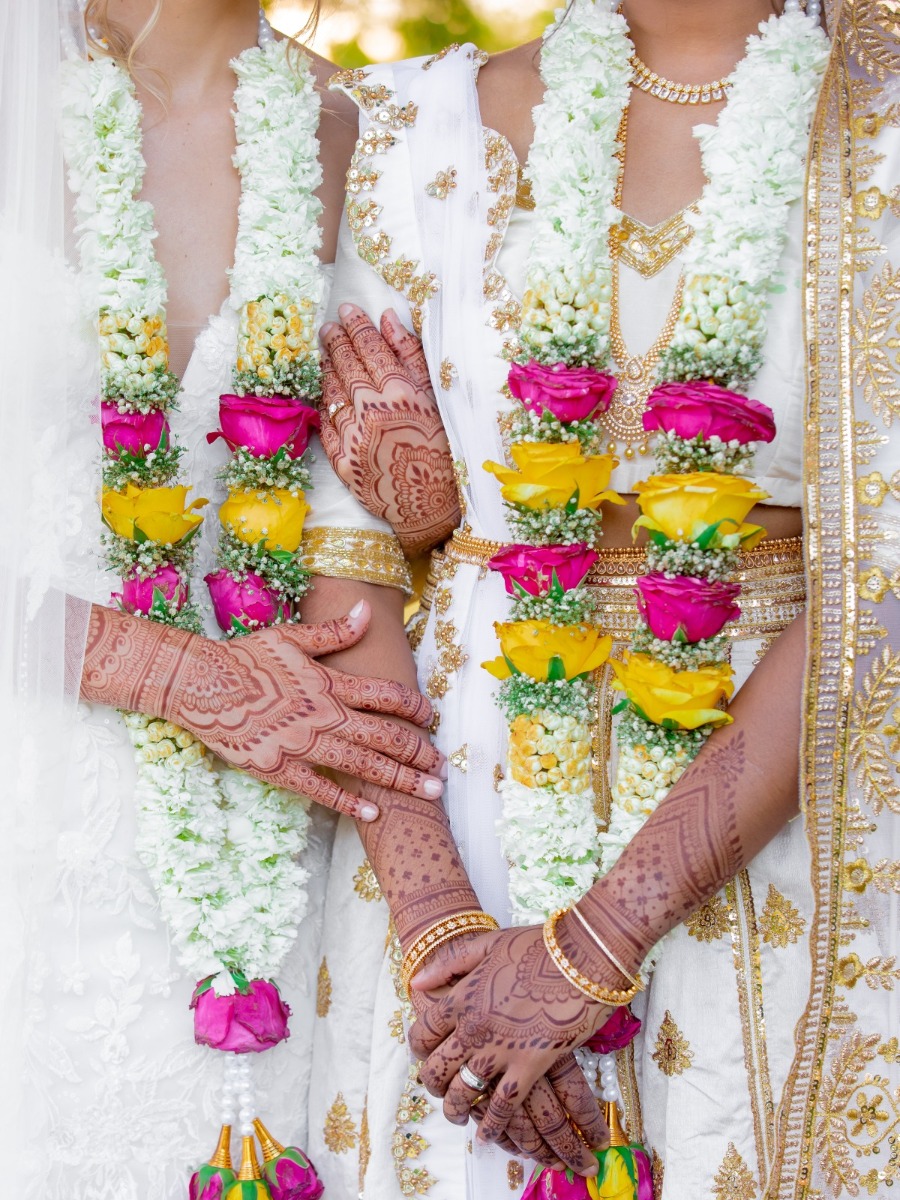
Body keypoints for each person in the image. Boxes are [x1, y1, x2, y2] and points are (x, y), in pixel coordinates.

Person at [311, 1, 900, 1197]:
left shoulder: (877, 129)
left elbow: (880, 578)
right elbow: (350, 554)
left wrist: (598, 941)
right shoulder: (417, 126)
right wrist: (442, 939)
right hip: (462, 783)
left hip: (781, 789)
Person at [0, 1, 465, 1193]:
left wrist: (423, 505)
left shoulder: (372, 132)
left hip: (282, 819)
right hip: (38, 804)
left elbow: (416, 523)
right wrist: (174, 673)